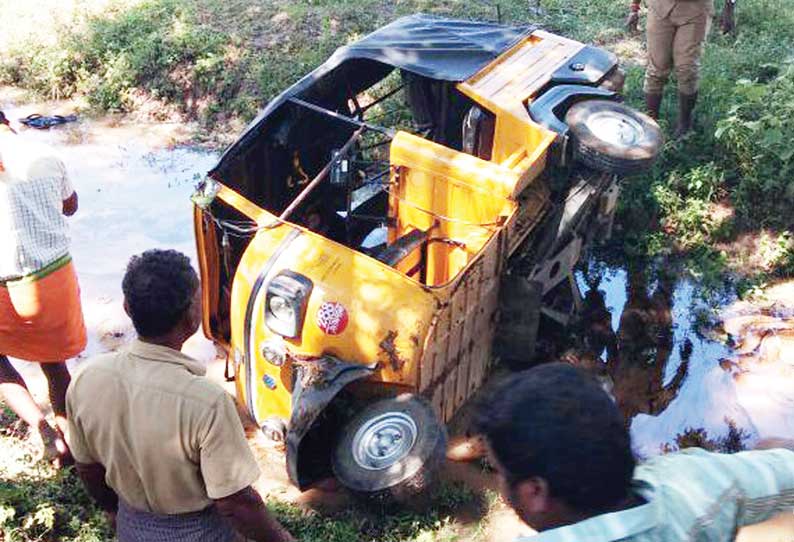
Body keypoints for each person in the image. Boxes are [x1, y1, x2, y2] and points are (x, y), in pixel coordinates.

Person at [66, 249, 293, 542]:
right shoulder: (207, 402)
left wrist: (116, 512)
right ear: (191, 317)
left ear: (126, 307)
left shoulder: (87, 379)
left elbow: (88, 468)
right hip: (199, 533)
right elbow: (236, 503)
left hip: (132, 527)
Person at [474, 363, 794, 541]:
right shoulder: (694, 484)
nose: (500, 486)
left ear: (535, 491)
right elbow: (783, 469)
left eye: (500, 472)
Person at [0, 110, 86, 465]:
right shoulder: (45, 154)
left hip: (3, 286)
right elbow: (71, 206)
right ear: (9, 122)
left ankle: (41, 428)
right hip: (53, 279)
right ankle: (72, 445)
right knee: (55, 366)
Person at [626, 0, 737, 136]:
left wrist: (729, 8)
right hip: (660, 8)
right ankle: (650, 123)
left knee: (687, 70)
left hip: (696, 10)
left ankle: (685, 125)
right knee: (656, 70)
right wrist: (634, 8)